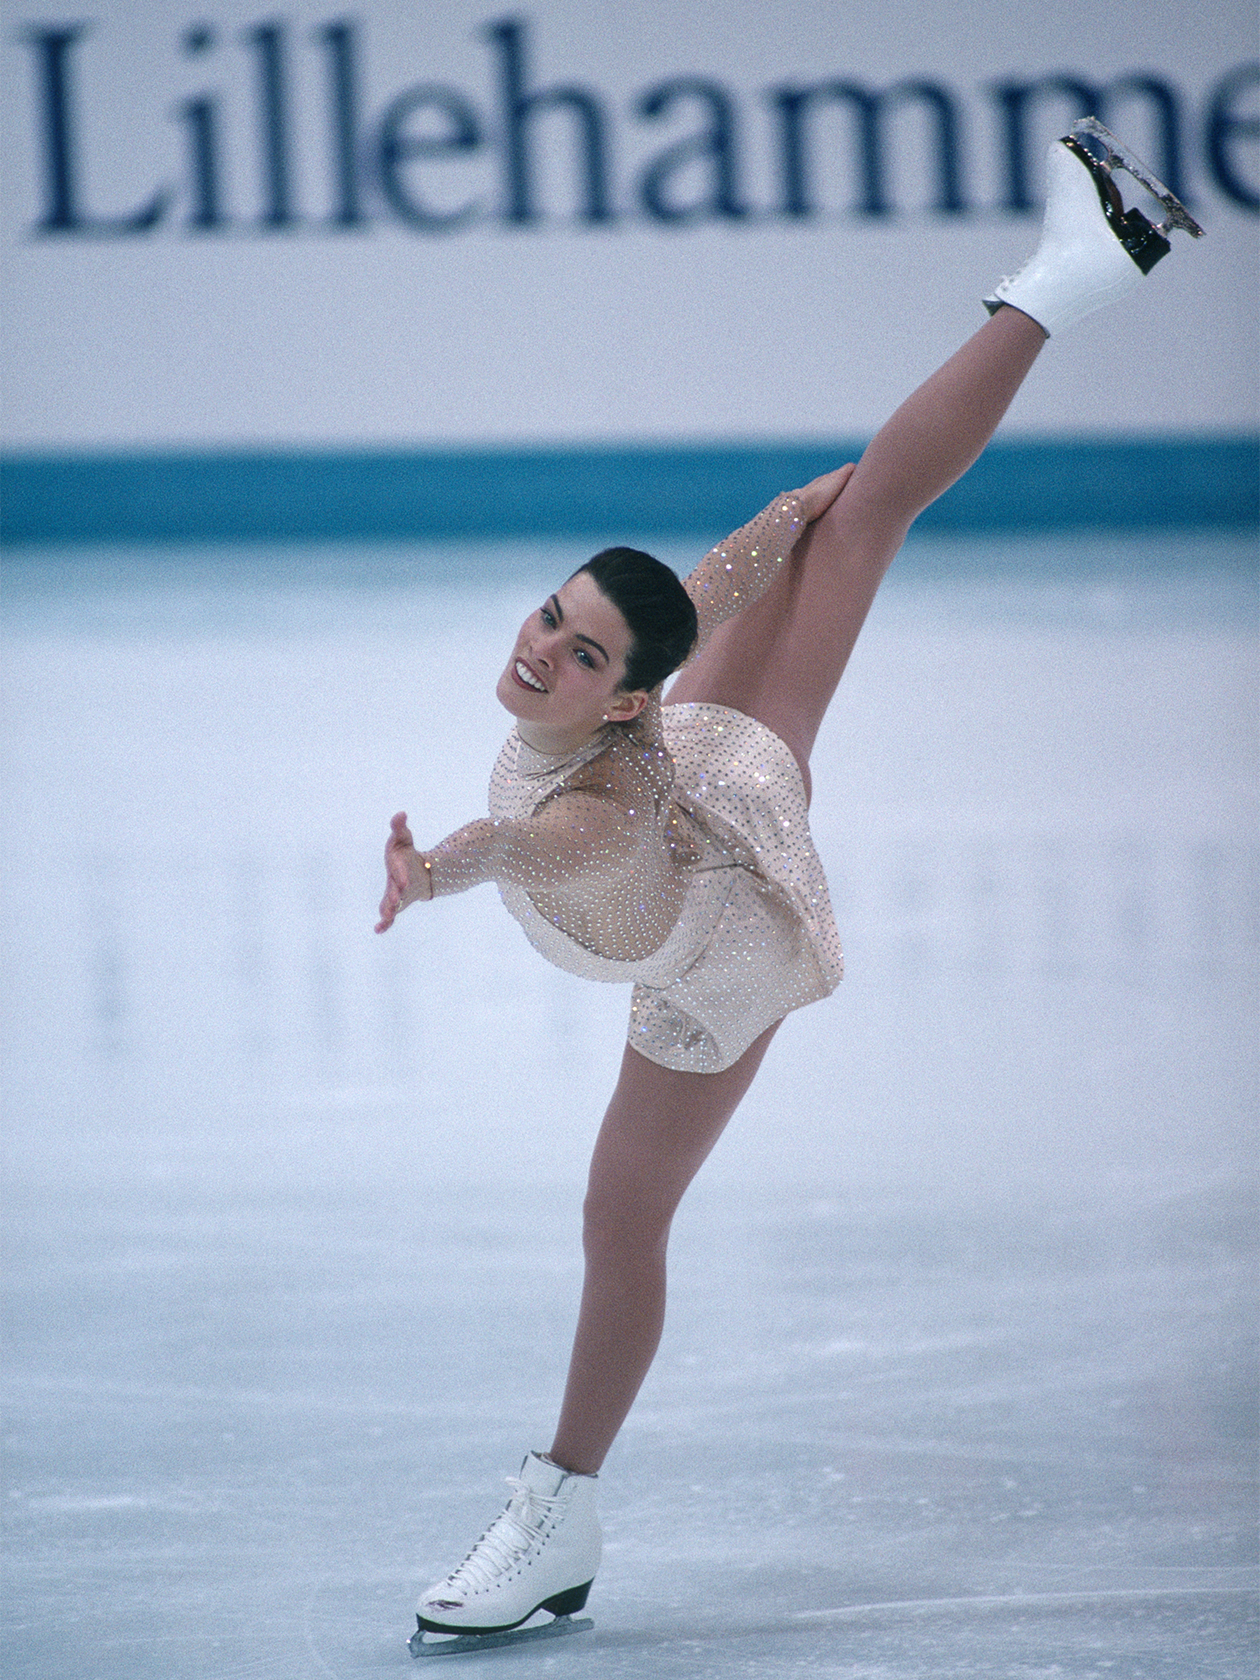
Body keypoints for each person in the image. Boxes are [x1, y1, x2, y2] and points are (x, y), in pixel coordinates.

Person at [375, 123, 1200, 1650]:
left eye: (577, 651)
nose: (538, 651)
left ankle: (556, 1518)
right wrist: (811, 510)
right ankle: (1081, 267)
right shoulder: (634, 706)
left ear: (625, 702)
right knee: (861, 509)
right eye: (549, 621)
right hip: (711, 780)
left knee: (620, 1221)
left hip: (720, 932)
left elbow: (529, 844)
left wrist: (432, 872)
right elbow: (693, 610)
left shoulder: (595, 806)